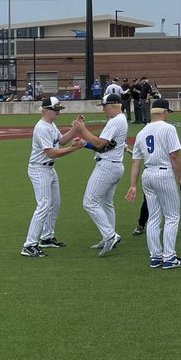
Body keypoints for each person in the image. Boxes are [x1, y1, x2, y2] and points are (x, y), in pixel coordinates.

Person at [126, 96, 181, 269]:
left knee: (154, 217)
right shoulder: (168, 129)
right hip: (163, 173)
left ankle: (155, 256)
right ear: (165, 112)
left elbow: (135, 162)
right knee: (172, 216)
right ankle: (170, 257)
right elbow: (174, 155)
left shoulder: (141, 132)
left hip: (148, 174)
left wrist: (133, 185)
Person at [21, 96, 86, 258]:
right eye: (55, 109)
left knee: (55, 203)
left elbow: (61, 141)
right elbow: (51, 153)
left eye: (59, 109)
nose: (58, 112)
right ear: (46, 110)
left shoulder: (50, 124)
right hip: (39, 169)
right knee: (44, 205)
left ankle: (46, 237)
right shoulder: (41, 127)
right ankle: (29, 245)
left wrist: (76, 128)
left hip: (49, 169)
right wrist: (75, 149)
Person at [72, 92, 129, 256]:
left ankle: (110, 235)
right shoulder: (120, 120)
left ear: (112, 106)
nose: (103, 110)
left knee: (89, 202)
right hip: (115, 165)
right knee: (106, 203)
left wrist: (83, 130)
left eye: (105, 107)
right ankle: (109, 237)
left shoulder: (115, 121)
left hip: (107, 167)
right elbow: (104, 146)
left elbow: (99, 143)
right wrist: (85, 145)